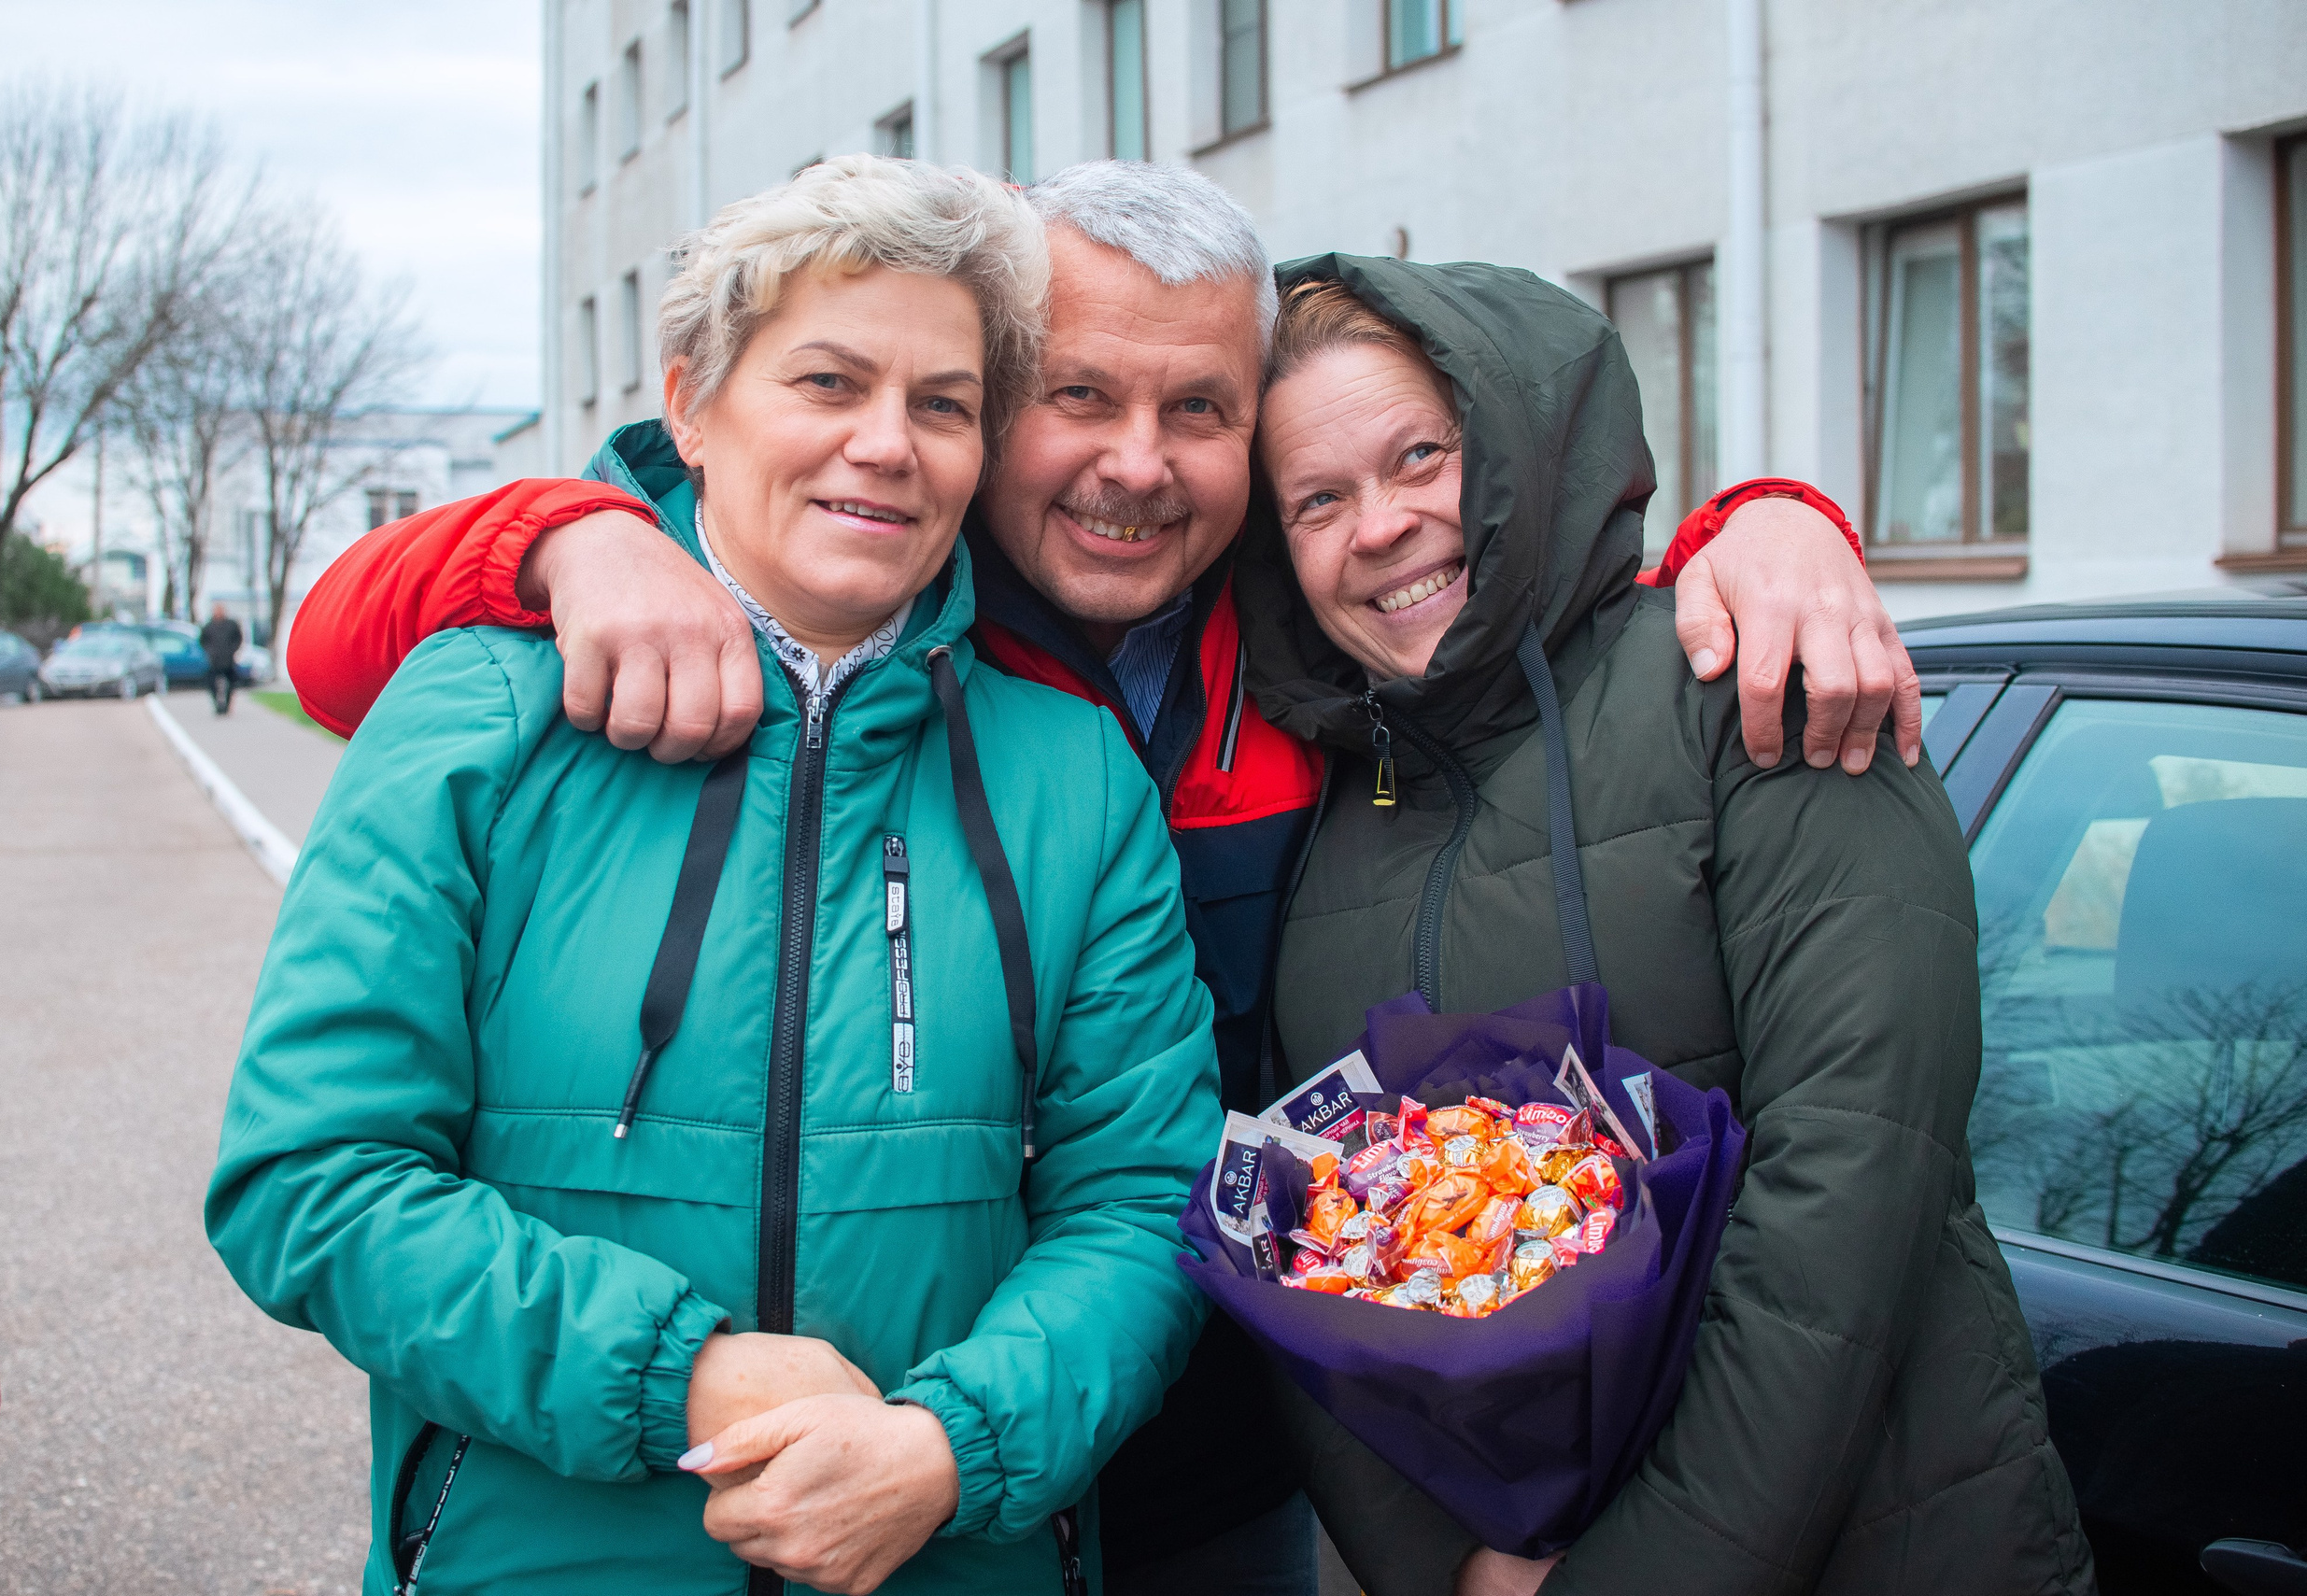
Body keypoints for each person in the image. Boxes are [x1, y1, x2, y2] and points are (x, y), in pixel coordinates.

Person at [279, 162, 1918, 1595]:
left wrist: (1771, 523)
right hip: (661, 1508)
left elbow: (1518, 578)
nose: (1137, 464)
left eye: (1201, 410)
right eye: (1077, 394)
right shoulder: (764, 594)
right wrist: (573, 537)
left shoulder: (1300, 637)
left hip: (1211, 1475)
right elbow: (337, 647)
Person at [205, 155, 1224, 1595]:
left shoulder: (1074, 773)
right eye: (826, 381)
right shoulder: (479, 719)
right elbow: (310, 1179)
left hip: (955, 1553)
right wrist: (683, 1378)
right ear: (691, 400)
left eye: (942, 405)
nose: (888, 443)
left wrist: (950, 1445)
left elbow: (1144, 1198)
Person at [1239, 261, 2095, 1595]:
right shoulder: (1334, 805)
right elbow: (1299, 1251)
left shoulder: (1753, 687)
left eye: (1421, 457)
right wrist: (1441, 1566)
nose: (1382, 526)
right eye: (1318, 501)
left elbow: (1851, 1182)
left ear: (1519, 448)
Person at [199, 603, 242, 713]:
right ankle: (217, 705)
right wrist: (210, 651)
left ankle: (227, 705)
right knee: (212, 683)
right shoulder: (209, 626)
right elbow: (203, 641)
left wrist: (232, 649)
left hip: (228, 660)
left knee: (231, 683)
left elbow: (238, 638)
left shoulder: (231, 625)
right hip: (214, 661)